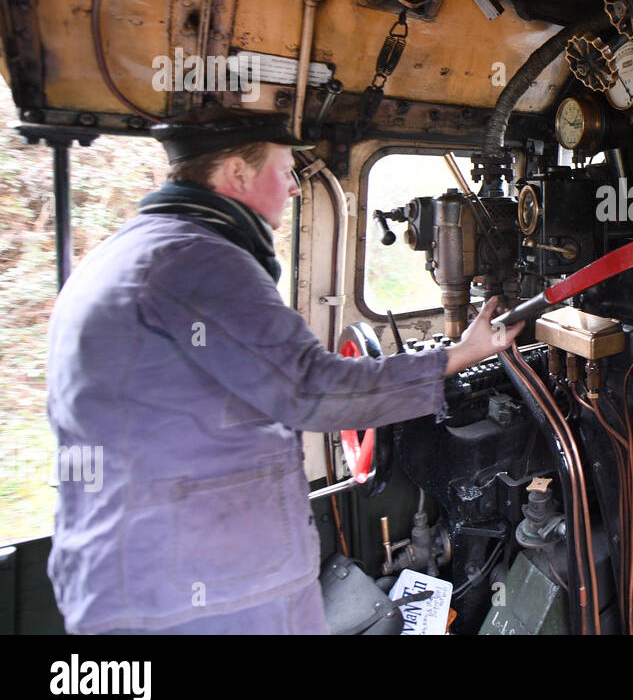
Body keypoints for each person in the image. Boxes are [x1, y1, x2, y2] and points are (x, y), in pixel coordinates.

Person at [45, 108, 522, 634]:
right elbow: (313, 390)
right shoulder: (202, 262)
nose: (294, 188)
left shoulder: (121, 254)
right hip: (205, 597)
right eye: (285, 169)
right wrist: (460, 355)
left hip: (130, 583)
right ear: (237, 173)